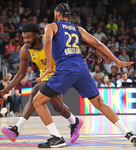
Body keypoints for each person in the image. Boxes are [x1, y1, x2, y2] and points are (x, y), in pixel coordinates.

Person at [31, 3, 135, 148]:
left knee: (37, 101)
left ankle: (57, 137)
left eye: (55, 13)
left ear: (58, 14)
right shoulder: (77, 29)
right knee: (100, 103)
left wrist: (49, 67)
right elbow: (98, 44)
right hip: (81, 68)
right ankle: (129, 133)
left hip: (66, 69)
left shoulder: (52, 26)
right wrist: (116, 60)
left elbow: (48, 40)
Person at [0, 22, 108, 143]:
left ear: (37, 35)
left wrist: (96, 48)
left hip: (62, 73)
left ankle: (16, 129)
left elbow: (77, 42)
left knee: (35, 91)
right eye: (24, 38)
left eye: (28, 37)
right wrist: (6, 90)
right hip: (46, 76)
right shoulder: (25, 50)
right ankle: (74, 122)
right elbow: (21, 74)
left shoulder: (51, 40)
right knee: (58, 106)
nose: (26, 40)